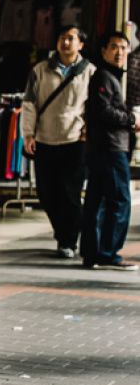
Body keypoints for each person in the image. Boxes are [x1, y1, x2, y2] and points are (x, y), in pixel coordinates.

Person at [21, 24, 95, 259]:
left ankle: (68, 240)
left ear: (81, 44)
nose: (66, 42)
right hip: (44, 139)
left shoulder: (89, 72)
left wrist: (87, 132)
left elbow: (93, 106)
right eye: (63, 37)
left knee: (69, 193)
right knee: (46, 193)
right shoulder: (40, 70)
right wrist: (28, 134)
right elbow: (29, 104)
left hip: (74, 140)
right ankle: (62, 232)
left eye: (71, 38)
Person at [80, 30, 140, 270]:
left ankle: (92, 253)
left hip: (102, 148)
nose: (120, 52)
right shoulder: (104, 77)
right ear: (103, 51)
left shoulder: (108, 76)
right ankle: (108, 254)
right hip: (110, 149)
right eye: (114, 47)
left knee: (97, 202)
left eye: (124, 47)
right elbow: (103, 112)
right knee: (119, 201)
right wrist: (131, 120)